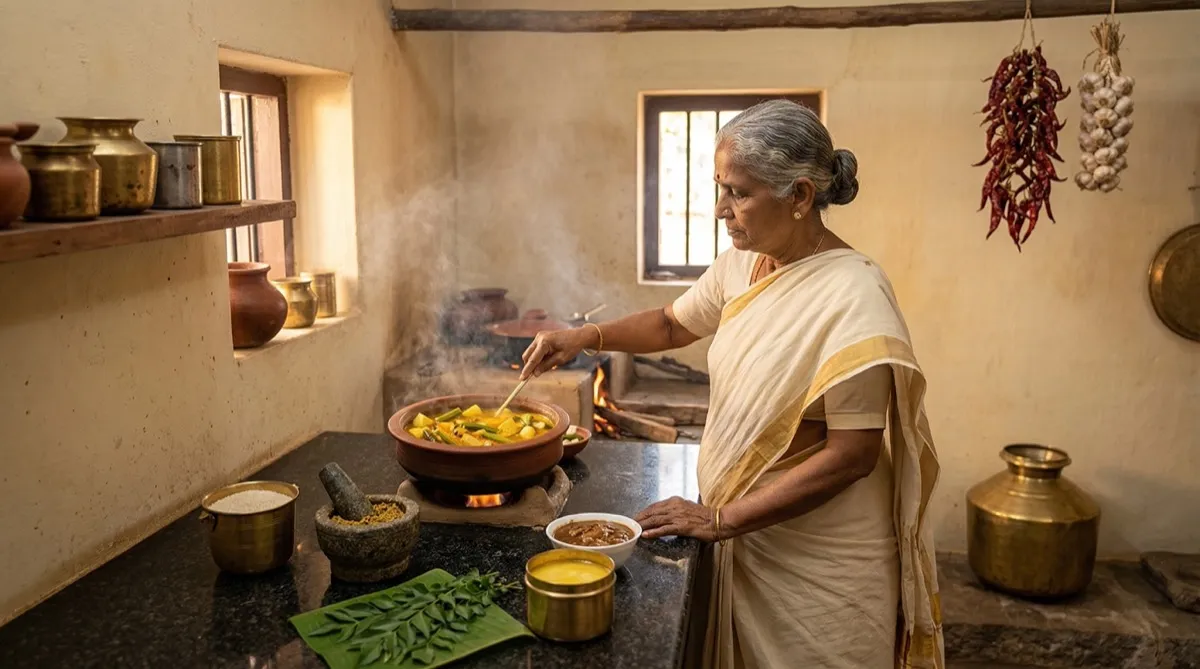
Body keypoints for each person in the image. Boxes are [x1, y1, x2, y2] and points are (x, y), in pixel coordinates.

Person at [520, 99, 944, 669]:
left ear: (799, 196)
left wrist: (722, 520)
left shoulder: (854, 296)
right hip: (746, 534)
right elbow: (671, 324)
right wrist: (585, 336)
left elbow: (853, 455)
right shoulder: (742, 264)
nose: (721, 209)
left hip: (818, 564)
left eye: (738, 193)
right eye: (720, 189)